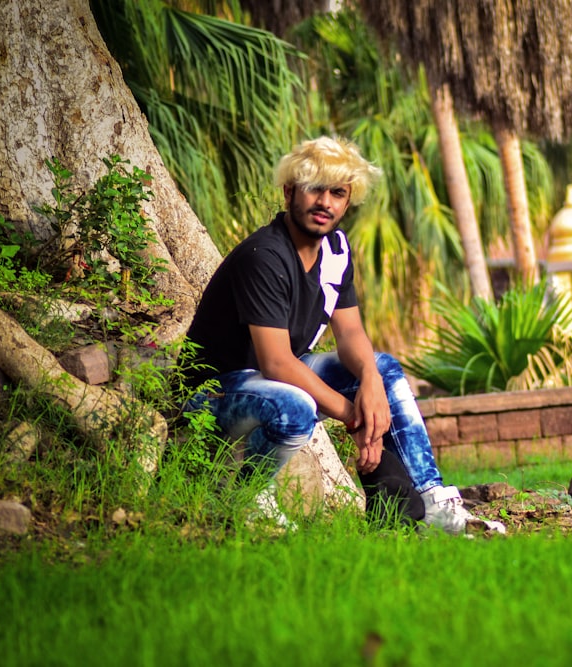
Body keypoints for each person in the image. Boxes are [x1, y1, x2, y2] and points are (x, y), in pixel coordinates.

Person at [181, 135, 504, 535]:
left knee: (382, 367)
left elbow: (350, 332)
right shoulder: (264, 256)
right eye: (315, 189)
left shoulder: (336, 248)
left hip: (274, 378)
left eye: (338, 193)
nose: (326, 203)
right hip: (214, 391)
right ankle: (247, 502)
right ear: (289, 192)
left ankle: (433, 502)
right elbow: (276, 362)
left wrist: (370, 383)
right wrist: (357, 420)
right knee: (296, 406)